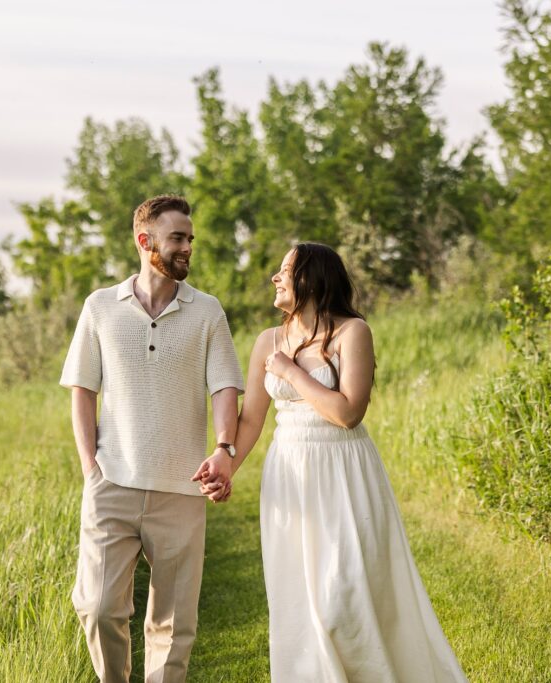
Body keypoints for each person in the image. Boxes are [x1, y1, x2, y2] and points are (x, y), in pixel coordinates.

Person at [194, 242, 468, 682]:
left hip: (344, 470)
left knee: (344, 598)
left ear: (311, 278)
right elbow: (252, 420)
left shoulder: (352, 332)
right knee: (300, 600)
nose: (275, 278)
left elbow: (347, 413)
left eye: (284, 269)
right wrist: (224, 459)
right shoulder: (268, 340)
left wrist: (291, 372)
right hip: (290, 474)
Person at [60, 194, 244, 683]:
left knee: (174, 624)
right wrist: (89, 468)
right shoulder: (100, 307)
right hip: (111, 482)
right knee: (98, 607)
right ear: (146, 242)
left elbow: (226, 386)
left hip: (182, 487)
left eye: (190, 239)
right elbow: (82, 390)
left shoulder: (208, 312)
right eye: (177, 238)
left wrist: (224, 447)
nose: (187, 247)